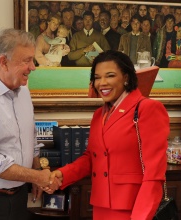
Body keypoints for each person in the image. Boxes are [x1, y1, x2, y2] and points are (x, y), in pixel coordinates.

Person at [45, 50, 170, 219]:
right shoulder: (99, 114)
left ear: (126, 77)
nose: (102, 83)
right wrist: (63, 174)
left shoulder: (147, 109)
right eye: (97, 77)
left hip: (134, 208)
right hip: (101, 205)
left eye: (110, 76)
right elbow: (92, 158)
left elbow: (154, 174)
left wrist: (141, 216)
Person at [0, 28, 61, 220]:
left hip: (18, 196)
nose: (33, 67)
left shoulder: (23, 91)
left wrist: (37, 172)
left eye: (33, 59)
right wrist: (37, 177)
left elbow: (30, 137)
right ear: (3, 62)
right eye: (26, 60)